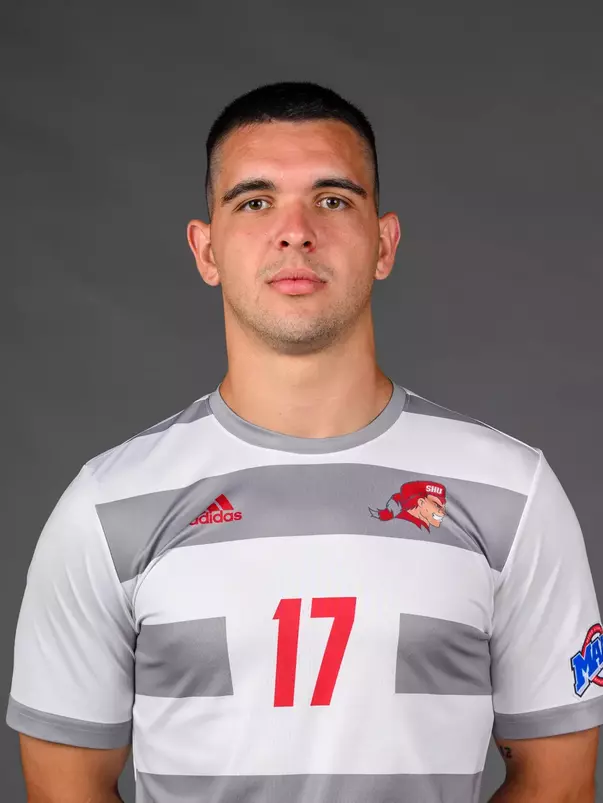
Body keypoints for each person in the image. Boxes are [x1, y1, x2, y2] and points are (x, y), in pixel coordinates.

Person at [6, 82, 603, 803]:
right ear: (206, 249)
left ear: (383, 243)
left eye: (332, 199)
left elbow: (560, 785)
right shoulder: (105, 507)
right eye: (254, 202)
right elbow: (63, 790)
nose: (295, 230)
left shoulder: (514, 492)